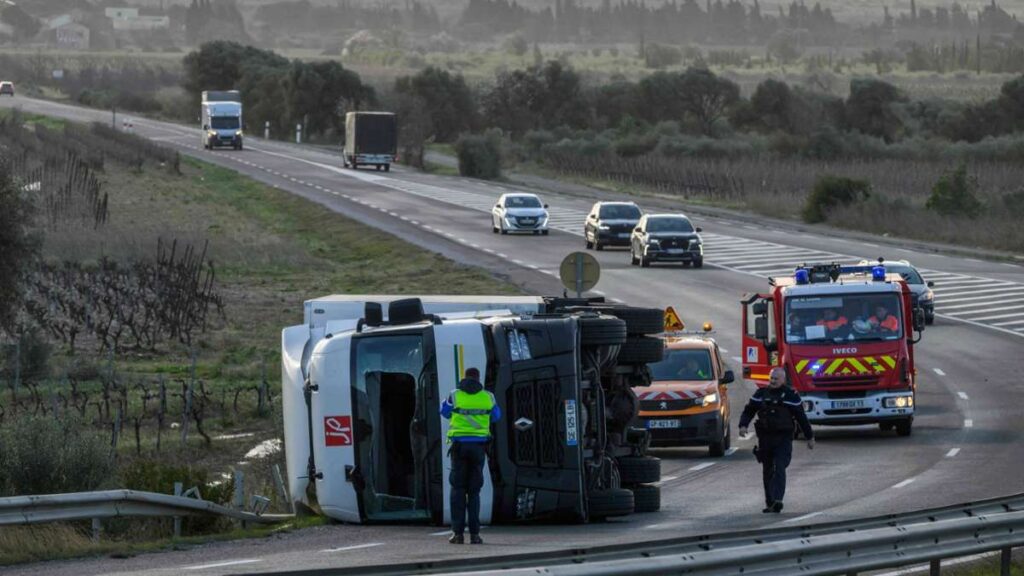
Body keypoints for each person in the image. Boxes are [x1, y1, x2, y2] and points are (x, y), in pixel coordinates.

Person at [738, 367, 815, 513]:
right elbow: (749, 411)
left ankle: (778, 499)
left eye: (776, 379)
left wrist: (809, 437)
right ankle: (770, 503)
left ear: (783, 380)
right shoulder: (760, 394)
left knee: (780, 467)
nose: (773, 381)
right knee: (767, 471)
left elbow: (801, 417)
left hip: (783, 439)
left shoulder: (791, 396)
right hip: (766, 439)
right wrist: (743, 425)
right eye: (771, 378)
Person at [440, 367, 501, 544]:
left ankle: (457, 534)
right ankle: (475, 535)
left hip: (459, 448)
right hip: (478, 448)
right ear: (478, 378)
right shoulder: (488, 396)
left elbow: (444, 412)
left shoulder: (455, 395)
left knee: (457, 489)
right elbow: (496, 416)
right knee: (474, 491)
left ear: (465, 377)